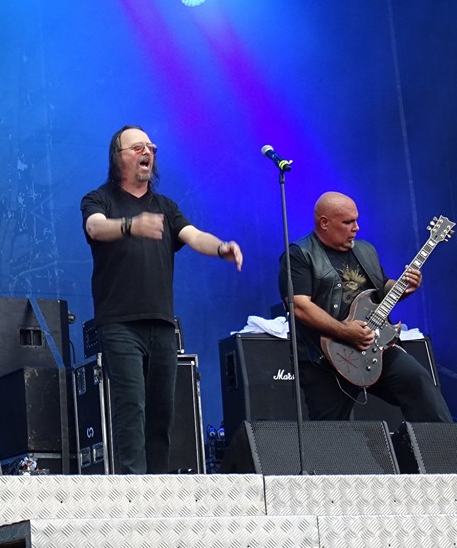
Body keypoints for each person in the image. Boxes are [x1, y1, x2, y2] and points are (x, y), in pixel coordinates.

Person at [80, 125, 243, 474]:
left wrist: (220, 248)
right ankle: (134, 485)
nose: (147, 152)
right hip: (119, 322)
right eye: (137, 147)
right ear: (118, 157)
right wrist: (131, 225)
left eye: (151, 147)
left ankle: (156, 484)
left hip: (162, 323)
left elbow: (194, 235)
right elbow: (95, 227)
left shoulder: (165, 207)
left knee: (161, 411)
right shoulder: (99, 199)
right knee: (131, 406)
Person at [278, 191, 451, 422]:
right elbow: (299, 306)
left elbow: (380, 290)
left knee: (418, 382)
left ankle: (443, 444)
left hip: (375, 346)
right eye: (348, 222)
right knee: (330, 432)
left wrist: (403, 287)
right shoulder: (299, 255)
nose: (356, 228)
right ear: (324, 223)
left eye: (357, 220)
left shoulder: (365, 250)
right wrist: (345, 331)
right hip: (326, 357)